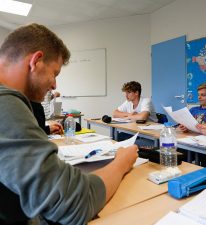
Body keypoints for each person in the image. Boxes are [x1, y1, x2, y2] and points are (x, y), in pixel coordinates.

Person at [0, 23, 138, 225]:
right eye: (54, 73)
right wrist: (122, 162)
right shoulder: (5, 102)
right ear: (36, 61)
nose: (55, 85)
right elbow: (73, 204)